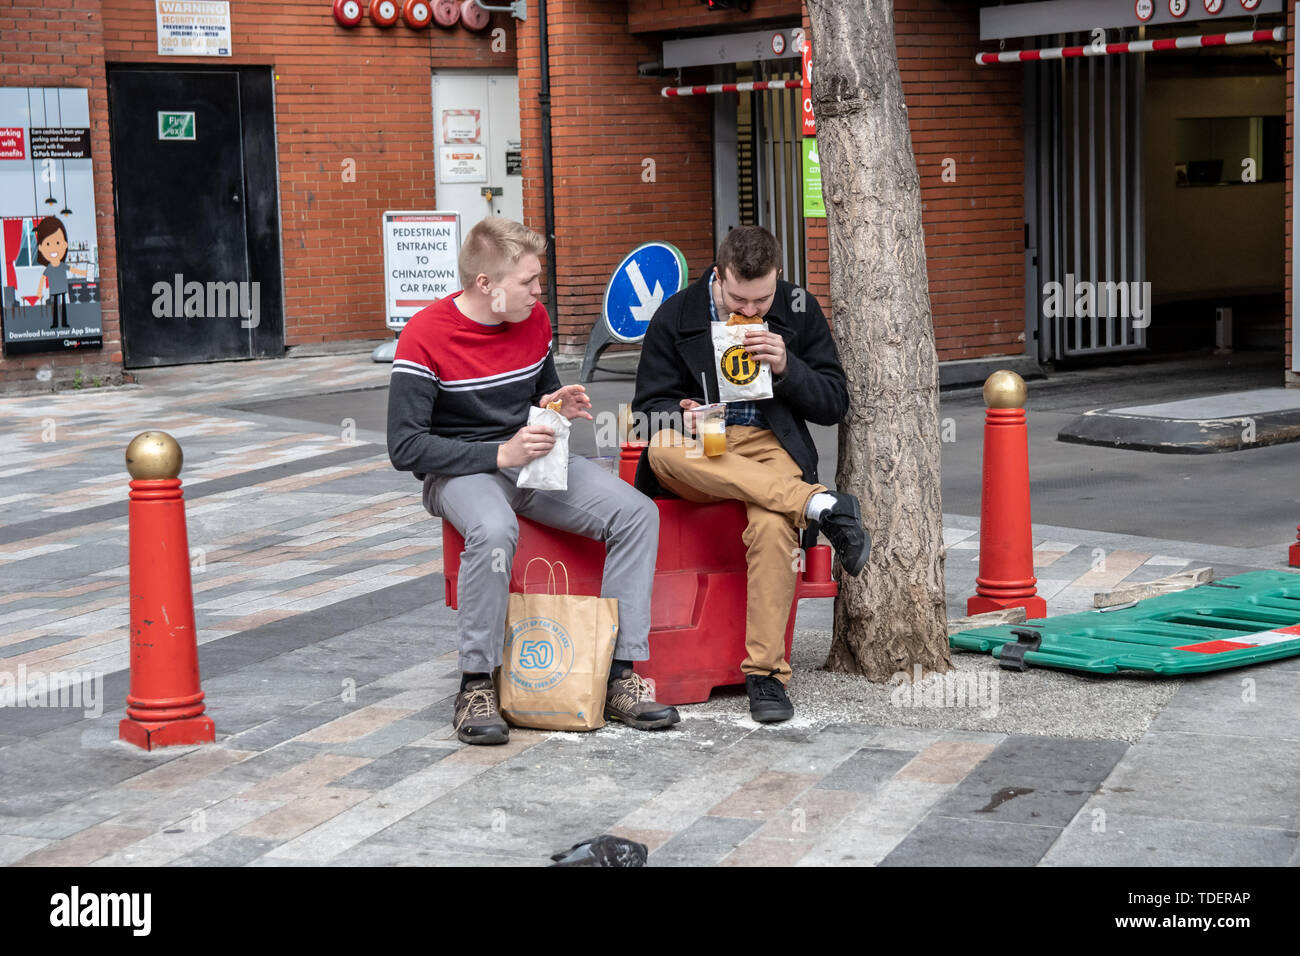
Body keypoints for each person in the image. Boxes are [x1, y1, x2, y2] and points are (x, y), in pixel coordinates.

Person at [387, 216, 678, 745]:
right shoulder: (425, 336)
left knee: (638, 513)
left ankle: (618, 676)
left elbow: (541, 394)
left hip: (532, 461)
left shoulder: (535, 319)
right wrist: (499, 452)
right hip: (461, 470)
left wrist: (557, 405)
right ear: (486, 286)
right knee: (494, 529)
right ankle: (475, 683)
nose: (538, 292)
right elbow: (405, 447)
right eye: (527, 281)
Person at [632, 225, 870, 724]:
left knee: (771, 525)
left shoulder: (797, 308)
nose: (752, 309)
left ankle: (765, 676)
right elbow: (644, 414)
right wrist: (681, 417)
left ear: (778, 278)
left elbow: (834, 402)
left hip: (769, 444)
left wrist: (788, 367)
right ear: (718, 277)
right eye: (740, 297)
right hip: (698, 449)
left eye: (763, 299)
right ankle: (820, 504)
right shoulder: (675, 315)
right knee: (660, 450)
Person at [34, 217, 87, 330]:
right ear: (41, 248)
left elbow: (73, 270)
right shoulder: (49, 267)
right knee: (54, 307)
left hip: (62, 288)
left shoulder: (62, 265)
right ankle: (54, 323)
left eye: (58, 242)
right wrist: (39, 290)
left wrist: (84, 272)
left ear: (64, 245)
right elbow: (43, 278)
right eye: (48, 244)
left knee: (63, 307)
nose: (53, 248)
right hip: (53, 290)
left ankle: (64, 323)